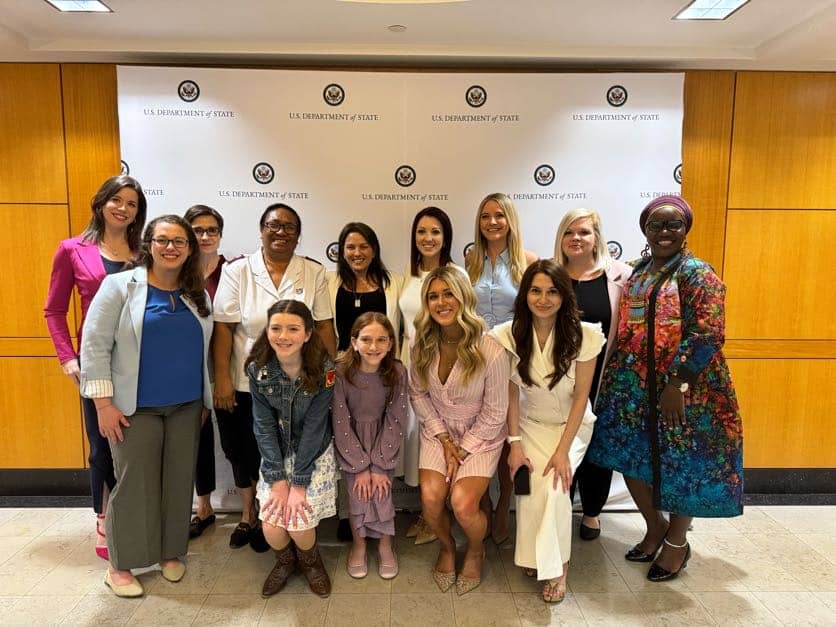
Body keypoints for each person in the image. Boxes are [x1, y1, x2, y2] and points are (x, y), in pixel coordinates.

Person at [586, 195, 744, 582]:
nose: (665, 232)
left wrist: (678, 383)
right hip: (634, 389)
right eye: (656, 225)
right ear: (645, 230)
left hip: (686, 391)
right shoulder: (637, 271)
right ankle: (654, 527)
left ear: (686, 228)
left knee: (681, 464)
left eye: (674, 224)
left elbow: (707, 333)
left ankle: (676, 543)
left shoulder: (696, 273)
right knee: (629, 457)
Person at [79, 215, 213, 597]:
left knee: (178, 481)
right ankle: (120, 565)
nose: (171, 247)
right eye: (163, 240)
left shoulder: (197, 293)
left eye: (179, 241)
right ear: (149, 244)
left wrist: (205, 400)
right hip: (133, 409)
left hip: (186, 406)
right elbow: (95, 346)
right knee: (133, 485)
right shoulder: (119, 286)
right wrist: (103, 404)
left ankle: (170, 552)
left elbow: (204, 350)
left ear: (189, 249)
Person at [213, 203, 335, 551]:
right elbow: (223, 328)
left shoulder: (313, 271)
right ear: (261, 230)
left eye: (289, 227)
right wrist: (222, 378)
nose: (281, 232)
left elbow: (324, 326)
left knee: (289, 448)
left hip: (300, 382)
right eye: (273, 225)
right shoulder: (237, 271)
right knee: (245, 450)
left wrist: (329, 376)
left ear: (298, 235)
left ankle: (288, 517)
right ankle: (250, 514)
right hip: (246, 380)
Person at [44, 174, 147, 560]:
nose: (123, 208)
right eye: (116, 200)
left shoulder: (144, 252)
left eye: (132, 204)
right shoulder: (72, 249)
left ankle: (135, 517)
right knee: (103, 444)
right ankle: (105, 521)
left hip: (142, 362)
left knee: (138, 443)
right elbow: (54, 310)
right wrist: (67, 358)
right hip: (97, 364)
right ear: (101, 202)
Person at [492, 260, 605, 603]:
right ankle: (532, 556)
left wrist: (562, 451)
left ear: (564, 295)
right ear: (525, 294)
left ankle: (559, 567)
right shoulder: (509, 334)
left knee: (556, 487)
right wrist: (514, 443)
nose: (543, 299)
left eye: (552, 291)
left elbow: (582, 396)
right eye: (536, 291)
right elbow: (512, 392)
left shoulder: (585, 335)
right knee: (528, 488)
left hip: (570, 428)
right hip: (528, 425)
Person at [410, 266, 509, 595]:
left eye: (448, 293)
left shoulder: (491, 349)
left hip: (480, 435)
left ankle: (476, 550)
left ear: (464, 296)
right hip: (438, 430)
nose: (441, 302)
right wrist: (443, 438)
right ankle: (448, 547)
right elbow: (417, 393)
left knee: (464, 504)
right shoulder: (421, 342)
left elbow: (496, 413)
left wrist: (461, 449)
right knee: (430, 500)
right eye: (433, 296)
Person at [247, 300, 337, 598]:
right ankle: (286, 562)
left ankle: (311, 563)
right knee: (271, 527)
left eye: (293, 329)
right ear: (267, 331)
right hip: (276, 452)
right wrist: (277, 480)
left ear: (308, 334)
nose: (283, 336)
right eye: (276, 328)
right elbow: (263, 426)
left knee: (298, 523)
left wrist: (298, 483)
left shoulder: (324, 370)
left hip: (312, 451)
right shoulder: (258, 370)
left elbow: (315, 428)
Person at [553, 208, 632, 541]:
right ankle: (560, 509)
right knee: (562, 443)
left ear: (597, 237)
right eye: (569, 232)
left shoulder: (621, 276)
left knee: (597, 449)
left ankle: (592, 513)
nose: (576, 238)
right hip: (557, 379)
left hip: (603, 378)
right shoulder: (550, 274)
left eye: (584, 232)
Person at [465, 192, 537, 545]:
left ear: (510, 220)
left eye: (499, 215)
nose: (492, 222)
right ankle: (484, 501)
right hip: (476, 358)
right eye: (485, 216)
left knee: (512, 436)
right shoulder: (471, 260)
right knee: (478, 431)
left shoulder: (528, 261)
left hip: (513, 359)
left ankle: (506, 504)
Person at [327, 221, 403, 540]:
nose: (357, 253)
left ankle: (379, 519)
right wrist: (332, 369)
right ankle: (350, 515)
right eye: (350, 247)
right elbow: (324, 327)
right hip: (345, 374)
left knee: (379, 436)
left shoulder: (394, 283)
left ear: (374, 250)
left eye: (363, 246)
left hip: (382, 374)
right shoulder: (329, 282)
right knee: (346, 436)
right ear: (341, 251)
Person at [398, 206, 465, 545]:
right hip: (410, 364)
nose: (428, 238)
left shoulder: (455, 274)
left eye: (435, 232)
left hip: (443, 366)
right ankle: (429, 513)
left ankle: (441, 515)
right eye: (422, 231)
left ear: (446, 237)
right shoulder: (408, 274)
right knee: (417, 441)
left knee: (444, 436)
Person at [333, 312, 407, 580]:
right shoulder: (341, 372)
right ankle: (359, 545)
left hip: (383, 442)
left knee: (382, 492)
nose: (373, 347)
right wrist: (361, 466)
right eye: (366, 339)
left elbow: (396, 418)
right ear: (354, 342)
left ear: (390, 343)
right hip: (351, 444)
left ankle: (386, 545)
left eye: (381, 340)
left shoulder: (397, 372)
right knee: (358, 494)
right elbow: (340, 420)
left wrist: (377, 465)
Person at [183, 204, 229, 538]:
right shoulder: (176, 270)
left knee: (232, 435)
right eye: (197, 230)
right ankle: (203, 505)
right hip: (187, 363)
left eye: (212, 230)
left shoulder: (232, 270)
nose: (205, 236)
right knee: (196, 434)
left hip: (225, 361)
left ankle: (249, 508)